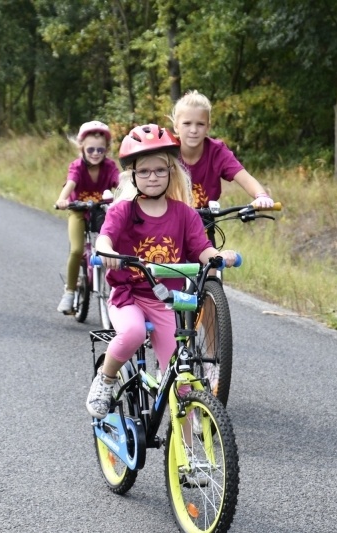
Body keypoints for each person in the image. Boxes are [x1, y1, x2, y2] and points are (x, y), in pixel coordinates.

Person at [85, 124, 239, 419]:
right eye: (144, 171)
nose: (152, 177)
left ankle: (188, 454)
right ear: (133, 175)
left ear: (171, 172)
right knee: (132, 333)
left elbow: (203, 249)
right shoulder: (123, 211)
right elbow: (105, 237)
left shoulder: (184, 214)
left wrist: (220, 256)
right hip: (128, 296)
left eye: (159, 170)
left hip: (166, 301)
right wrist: (109, 252)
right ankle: (105, 380)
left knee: (179, 376)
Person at [169, 90, 274, 243]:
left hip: (203, 229)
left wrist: (261, 196)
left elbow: (244, 177)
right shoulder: (167, 150)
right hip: (169, 228)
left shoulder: (216, 151)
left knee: (213, 264)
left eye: (200, 124)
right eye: (187, 123)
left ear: (208, 127)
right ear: (176, 126)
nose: (193, 130)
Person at [54, 121, 120, 313]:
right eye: (90, 149)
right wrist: (62, 199)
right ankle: (70, 291)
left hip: (100, 212)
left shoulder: (109, 166)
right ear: (81, 147)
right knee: (76, 250)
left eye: (100, 149)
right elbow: (71, 183)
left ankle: (119, 290)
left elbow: (120, 181)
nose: (95, 153)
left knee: (112, 249)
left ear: (106, 149)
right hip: (78, 211)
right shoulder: (77, 167)